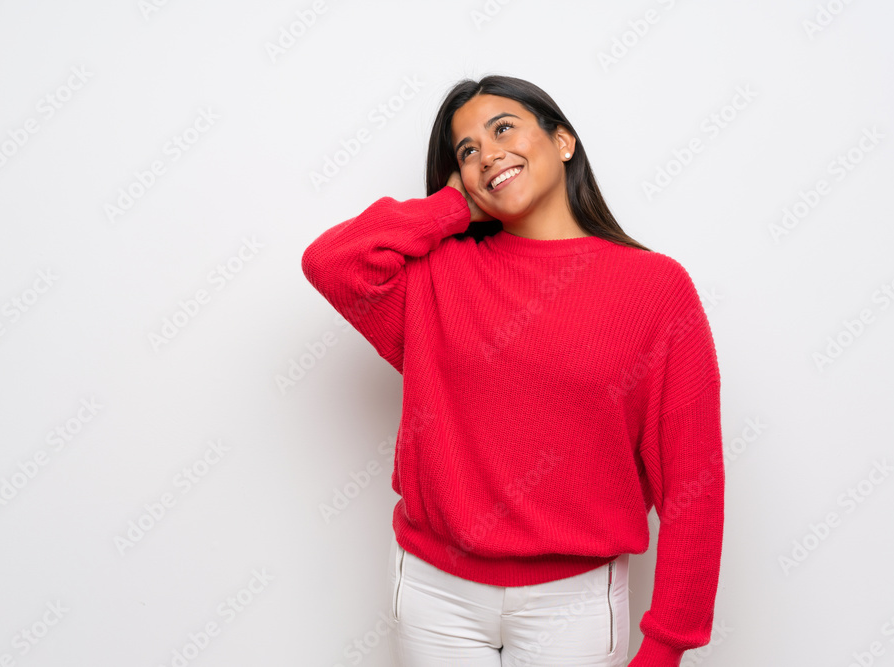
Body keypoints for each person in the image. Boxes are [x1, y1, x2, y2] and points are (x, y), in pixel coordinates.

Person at [300, 74, 724, 667]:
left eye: (502, 128)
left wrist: (667, 645)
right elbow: (332, 262)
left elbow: (693, 480)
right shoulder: (437, 276)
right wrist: (451, 206)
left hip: (575, 603)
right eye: (467, 150)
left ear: (564, 142)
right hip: (434, 593)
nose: (486, 152)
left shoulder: (655, 289)